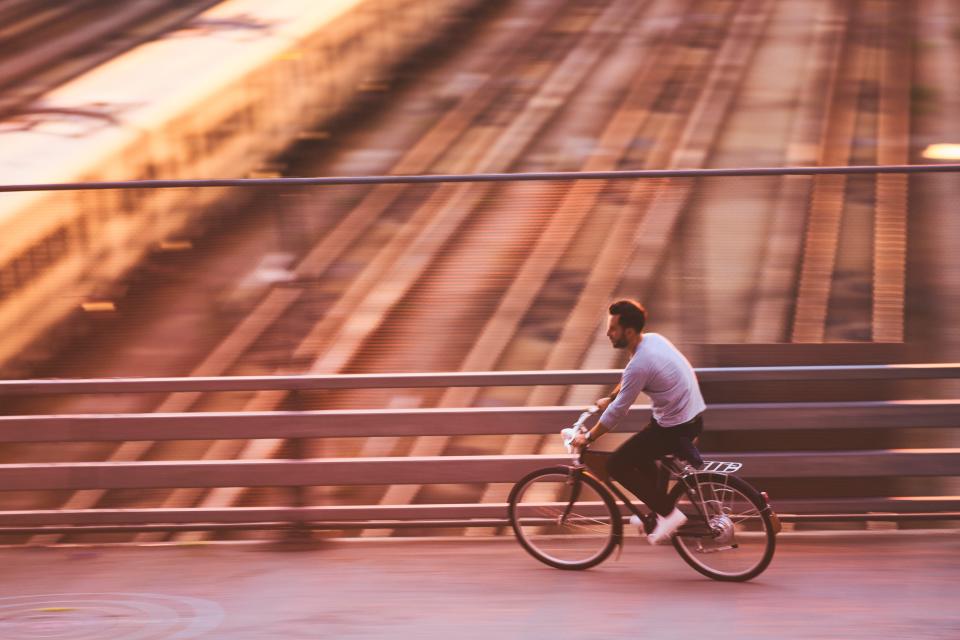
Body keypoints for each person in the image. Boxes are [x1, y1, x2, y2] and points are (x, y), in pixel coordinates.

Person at [571, 299, 706, 545]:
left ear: (629, 332)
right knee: (640, 452)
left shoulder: (640, 365)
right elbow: (628, 379)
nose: (608, 333)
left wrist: (588, 437)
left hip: (675, 427)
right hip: (690, 417)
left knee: (616, 465)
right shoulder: (652, 340)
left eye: (613, 328)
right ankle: (657, 512)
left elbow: (617, 412)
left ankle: (668, 513)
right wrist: (611, 397)